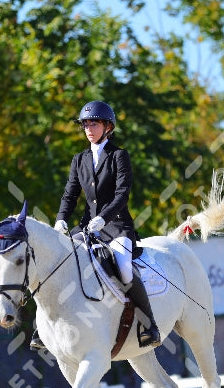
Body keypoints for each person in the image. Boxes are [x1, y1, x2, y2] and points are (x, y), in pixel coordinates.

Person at [31, 100, 160, 350]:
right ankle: (42, 330)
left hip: (116, 225)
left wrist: (105, 217)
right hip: (87, 228)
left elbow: (122, 193)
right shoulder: (79, 160)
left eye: (94, 123)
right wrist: (60, 220)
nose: (89, 128)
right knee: (60, 261)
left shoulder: (118, 156)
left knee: (123, 265)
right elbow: (70, 195)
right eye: (86, 124)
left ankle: (149, 324)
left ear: (107, 126)